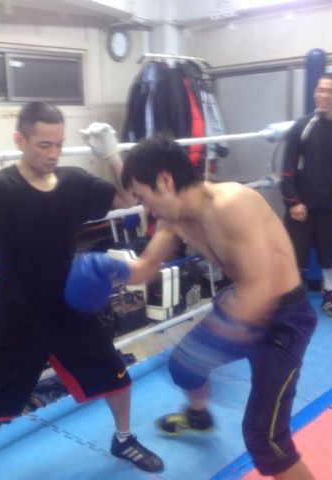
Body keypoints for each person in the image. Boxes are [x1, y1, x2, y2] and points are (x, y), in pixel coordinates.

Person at [65, 136, 317, 479]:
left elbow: (263, 287)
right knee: (184, 367)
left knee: (265, 440)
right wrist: (112, 269)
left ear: (165, 180)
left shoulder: (234, 204)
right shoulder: (175, 218)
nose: (146, 208)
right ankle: (199, 416)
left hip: (283, 321)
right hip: (242, 300)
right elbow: (147, 265)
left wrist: (221, 333)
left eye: (143, 196)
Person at [0, 102, 164, 480]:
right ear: (20, 140)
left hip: (69, 309)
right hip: (17, 317)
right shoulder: (0, 187)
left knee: (117, 379)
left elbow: (127, 200)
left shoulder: (73, 182)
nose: (53, 154)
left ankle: (124, 439)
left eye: (58, 144)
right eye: (44, 145)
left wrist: (111, 155)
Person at [280, 72, 332, 318]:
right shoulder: (302, 126)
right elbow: (287, 168)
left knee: (330, 256)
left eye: (330, 91)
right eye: (320, 90)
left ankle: (330, 298)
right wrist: (293, 201)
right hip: (302, 205)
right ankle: (293, 301)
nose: (323, 95)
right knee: (295, 255)